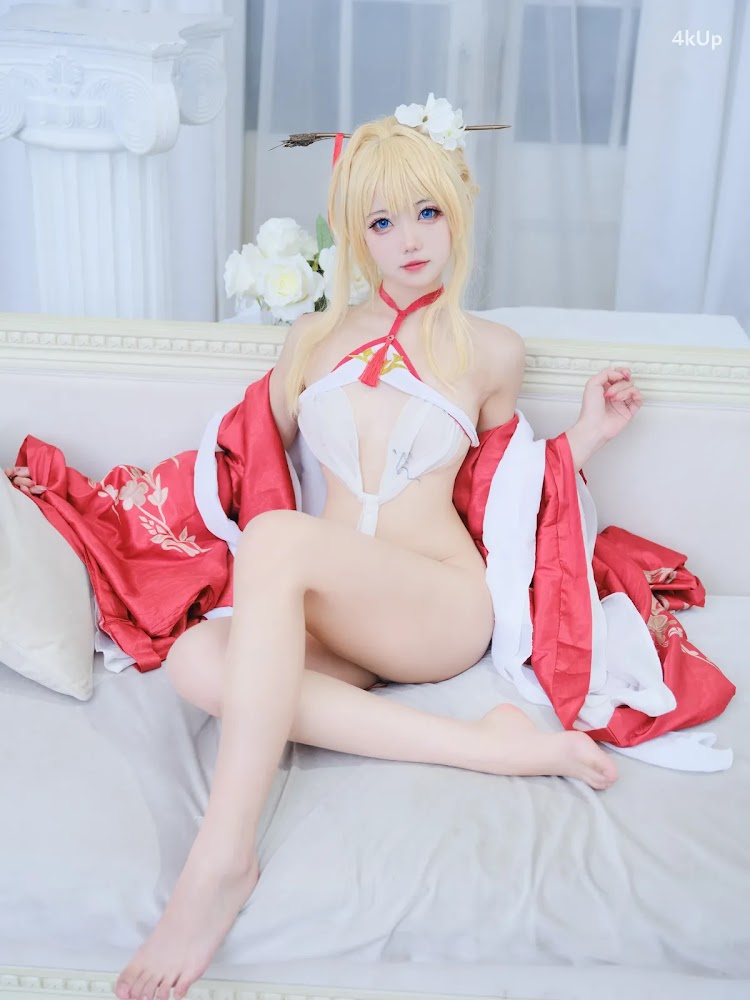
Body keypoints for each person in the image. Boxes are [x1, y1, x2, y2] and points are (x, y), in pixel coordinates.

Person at [5, 105, 640, 1000]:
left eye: (426, 212)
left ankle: (221, 859)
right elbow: (242, 465)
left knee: (277, 543)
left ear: (458, 209)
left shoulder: (491, 351)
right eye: (381, 221)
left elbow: (503, 492)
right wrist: (108, 512)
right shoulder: (311, 341)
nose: (409, 240)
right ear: (352, 233)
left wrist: (587, 437)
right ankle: (487, 746)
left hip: (437, 605)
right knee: (195, 659)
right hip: (338, 612)